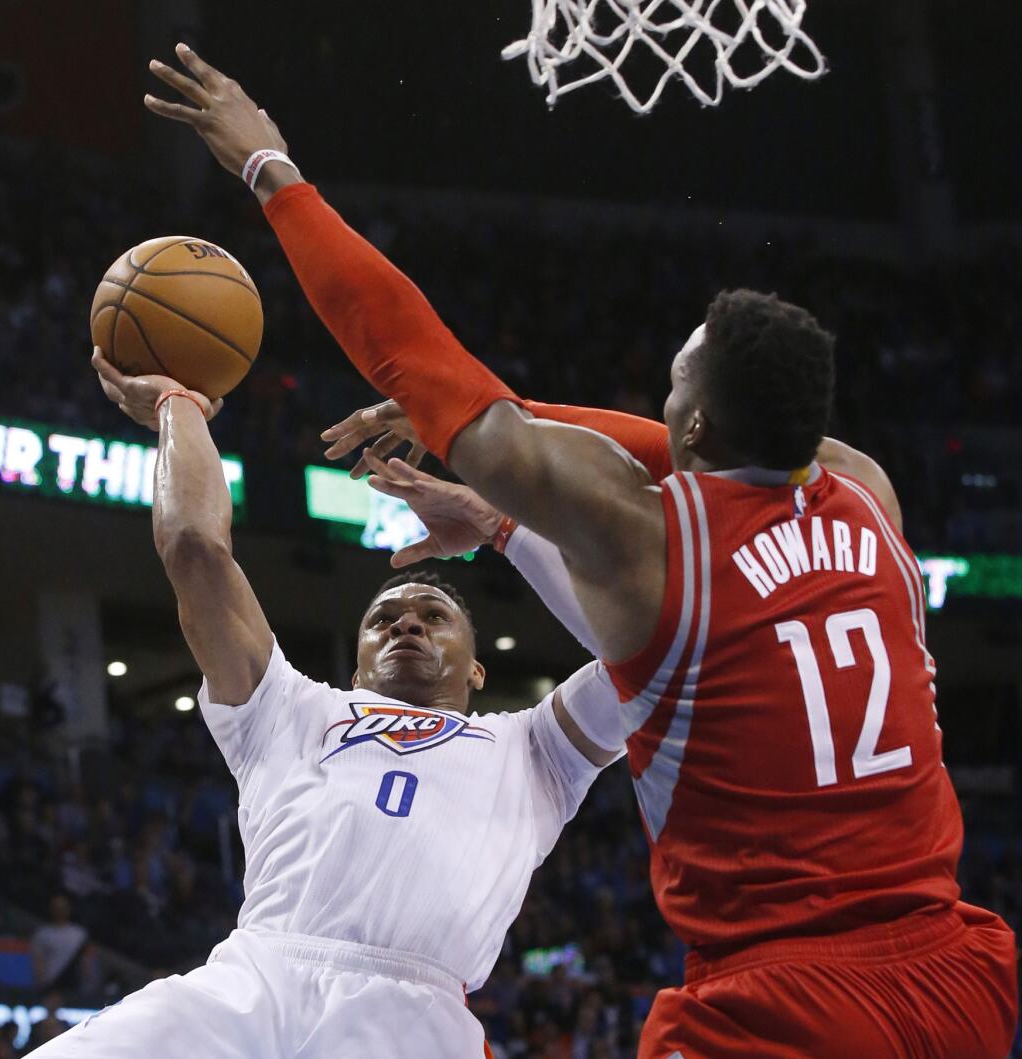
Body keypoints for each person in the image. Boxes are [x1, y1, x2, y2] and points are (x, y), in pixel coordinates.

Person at [143, 44, 1018, 1056]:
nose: (662, 406)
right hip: (956, 976)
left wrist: (270, 170)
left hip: (788, 997)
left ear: (693, 431)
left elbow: (418, 353)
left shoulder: (654, 543)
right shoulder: (868, 497)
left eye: (676, 389)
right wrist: (505, 461)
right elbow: (734, 441)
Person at [29, 330, 625, 1059]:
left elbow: (649, 652)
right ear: (355, 665)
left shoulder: (536, 749)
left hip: (413, 1023)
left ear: (477, 670)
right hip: (255, 983)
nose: (406, 620)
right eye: (384, 618)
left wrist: (502, 527)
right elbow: (194, 547)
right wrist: (179, 407)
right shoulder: (290, 708)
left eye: (434, 615)